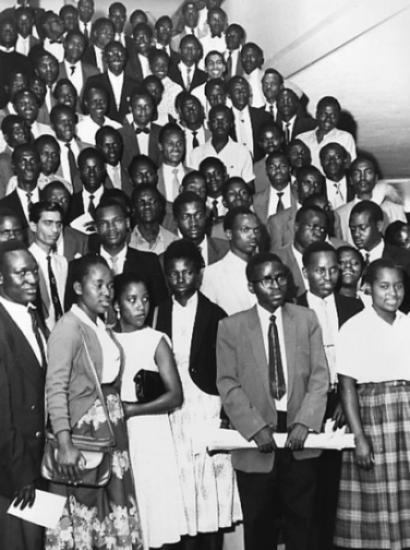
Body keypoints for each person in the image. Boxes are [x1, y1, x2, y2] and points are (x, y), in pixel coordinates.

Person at [216, 252, 329, 550]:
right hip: (255, 442)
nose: (276, 284)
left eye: (280, 277)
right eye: (266, 279)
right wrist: (255, 427)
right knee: (259, 528)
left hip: (299, 437)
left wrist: (305, 421)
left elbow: (320, 376)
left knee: (303, 526)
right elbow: (227, 383)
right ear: (251, 286)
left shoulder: (306, 320)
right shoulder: (231, 327)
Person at [45, 253, 143, 549]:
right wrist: (65, 443)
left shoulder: (98, 324)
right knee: (84, 522)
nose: (107, 292)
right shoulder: (69, 328)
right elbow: (56, 387)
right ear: (77, 287)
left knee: (109, 520)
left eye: (110, 286)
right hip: (84, 440)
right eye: (98, 285)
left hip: (109, 439)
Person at [156, 239, 241, 550]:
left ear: (199, 274)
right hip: (170, 411)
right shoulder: (157, 312)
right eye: (173, 274)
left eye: (187, 273)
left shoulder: (216, 314)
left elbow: (227, 370)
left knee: (209, 496)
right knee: (180, 492)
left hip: (205, 407)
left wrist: (227, 414)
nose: (180, 280)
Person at [334, 259, 410, 550]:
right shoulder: (354, 328)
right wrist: (359, 437)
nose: (393, 293)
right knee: (378, 495)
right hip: (374, 418)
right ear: (368, 288)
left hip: (406, 414)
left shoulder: (408, 324)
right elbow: (347, 388)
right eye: (384, 286)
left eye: (399, 286)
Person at [297, 241, 363, 550]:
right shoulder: (292, 309)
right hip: (308, 408)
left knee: (338, 494)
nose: (328, 276)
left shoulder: (354, 307)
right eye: (320, 270)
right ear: (305, 271)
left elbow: (364, 359)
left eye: (334, 269)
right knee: (306, 492)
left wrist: (347, 401)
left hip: (344, 404)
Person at [113, 273, 185, 549]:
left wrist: (134, 409)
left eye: (144, 299)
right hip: (119, 435)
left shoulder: (156, 340)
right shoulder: (104, 337)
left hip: (151, 434)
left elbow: (175, 396)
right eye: (131, 300)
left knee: (155, 512)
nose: (140, 306)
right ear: (117, 304)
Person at [0, 240, 47, 550]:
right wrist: (22, 475)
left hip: (36, 459)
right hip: (13, 471)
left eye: (34, 271)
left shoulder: (32, 315)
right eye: (21, 274)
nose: (32, 280)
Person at [335, 155, 407, 245]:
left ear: (376, 178)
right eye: (357, 173)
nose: (362, 178)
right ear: (351, 180)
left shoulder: (395, 210)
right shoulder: (340, 214)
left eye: (368, 172)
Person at [202, 206, 260, 314]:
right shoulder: (212, 275)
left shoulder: (264, 268)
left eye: (256, 230)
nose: (253, 236)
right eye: (245, 230)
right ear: (229, 234)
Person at [188, 104, 254, 187]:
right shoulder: (196, 154)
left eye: (224, 120)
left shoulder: (243, 152)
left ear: (231, 124)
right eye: (215, 121)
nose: (220, 124)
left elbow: (249, 187)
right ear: (208, 125)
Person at [28, 201, 67, 331]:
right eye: (48, 223)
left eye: (58, 224)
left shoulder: (62, 262)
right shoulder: (27, 262)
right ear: (33, 226)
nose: (55, 230)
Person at [84, 40, 139, 123]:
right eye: (112, 54)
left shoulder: (135, 85)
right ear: (105, 58)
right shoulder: (94, 82)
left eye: (120, 54)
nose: (117, 57)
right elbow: (85, 108)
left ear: (126, 57)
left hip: (127, 130)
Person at [298, 96, 356, 171]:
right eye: (324, 114)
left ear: (338, 118)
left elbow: (351, 167)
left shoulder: (345, 138)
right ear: (316, 114)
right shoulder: (301, 138)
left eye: (333, 115)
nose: (328, 119)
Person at [172, 191, 229, 265]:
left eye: (198, 215)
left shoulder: (226, 250)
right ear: (176, 220)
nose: (193, 223)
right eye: (186, 217)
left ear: (206, 216)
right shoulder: (168, 255)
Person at [228, 76, 272, 162]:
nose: (241, 93)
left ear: (249, 92)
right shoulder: (225, 119)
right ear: (229, 95)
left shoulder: (263, 117)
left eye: (244, 90)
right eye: (237, 91)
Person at [120, 87, 162, 170]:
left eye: (147, 106)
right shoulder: (120, 135)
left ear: (153, 108)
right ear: (130, 108)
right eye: (138, 107)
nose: (143, 111)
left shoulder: (162, 132)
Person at [129, 184, 177, 255]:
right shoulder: (126, 244)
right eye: (141, 202)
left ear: (160, 206)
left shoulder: (174, 242)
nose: (147, 206)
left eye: (152, 201)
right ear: (133, 208)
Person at [58, 30, 98, 99]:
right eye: (72, 43)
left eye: (80, 44)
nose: (76, 47)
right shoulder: (55, 70)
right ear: (65, 44)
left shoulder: (93, 72)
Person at [95, 125, 132, 196]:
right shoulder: (94, 176)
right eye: (107, 146)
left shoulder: (130, 171)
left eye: (115, 144)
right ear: (98, 148)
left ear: (121, 145)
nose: (112, 150)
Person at [319, 142, 353, 210]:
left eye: (337, 157)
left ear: (345, 160)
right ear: (321, 162)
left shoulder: (354, 182)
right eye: (326, 158)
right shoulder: (317, 187)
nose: (332, 161)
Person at [240, 42, 264, 108]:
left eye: (251, 56)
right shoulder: (239, 82)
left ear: (259, 59)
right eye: (244, 56)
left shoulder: (267, 77)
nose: (248, 59)